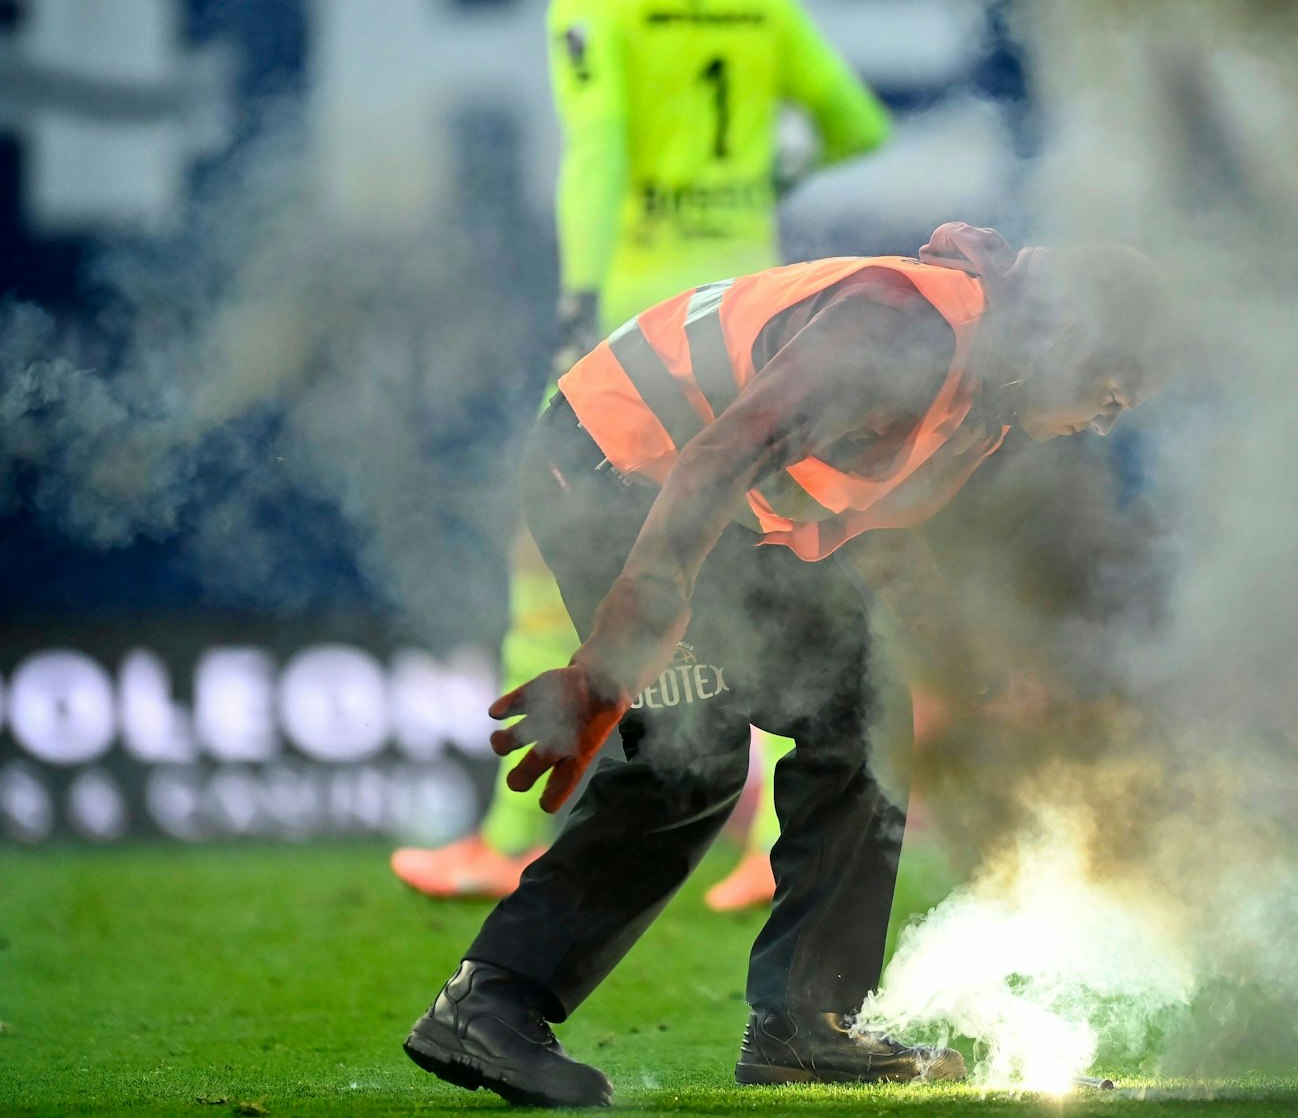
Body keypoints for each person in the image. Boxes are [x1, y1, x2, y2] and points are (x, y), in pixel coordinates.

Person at [402, 222, 1176, 1105]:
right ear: (1069, 341)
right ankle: (488, 1002)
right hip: (614, 471)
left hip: (699, 501)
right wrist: (608, 667)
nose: (1099, 426)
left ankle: (808, 1025)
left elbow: (876, 531)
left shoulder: (983, 385)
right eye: (1111, 399)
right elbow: (718, 460)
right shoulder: (908, 330)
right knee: (687, 762)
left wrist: (965, 658)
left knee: (861, 711)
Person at [391, 0, 890, 901]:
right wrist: (759, 180)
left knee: (547, 550)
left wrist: (577, 302)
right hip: (751, 319)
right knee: (765, 563)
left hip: (638, 332)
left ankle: (511, 832)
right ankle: (769, 852)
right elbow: (853, 123)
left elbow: (597, 156)